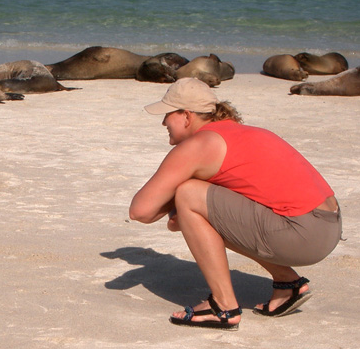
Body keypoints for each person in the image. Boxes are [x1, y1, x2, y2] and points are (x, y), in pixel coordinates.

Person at [129, 78, 342, 330]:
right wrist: (183, 214)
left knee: (188, 193)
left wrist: (179, 205)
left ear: (186, 116)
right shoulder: (245, 132)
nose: (163, 122)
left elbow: (141, 211)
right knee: (201, 204)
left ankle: (223, 306)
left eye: (167, 114)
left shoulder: (199, 144)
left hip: (303, 233)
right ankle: (288, 284)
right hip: (328, 227)